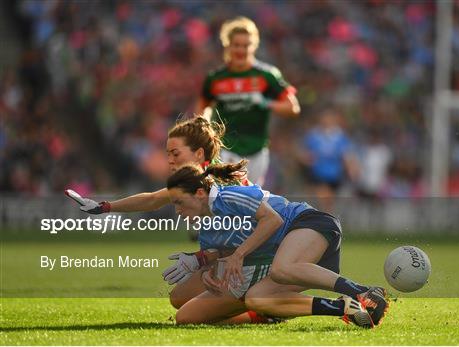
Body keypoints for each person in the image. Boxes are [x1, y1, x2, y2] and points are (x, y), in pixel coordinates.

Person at [66, 116, 271, 325]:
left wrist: (203, 259)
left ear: (198, 154)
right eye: (168, 154)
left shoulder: (216, 184)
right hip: (239, 258)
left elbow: (243, 237)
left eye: (175, 153)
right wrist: (105, 207)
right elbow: (153, 199)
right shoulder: (202, 178)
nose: (170, 160)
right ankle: (255, 311)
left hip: (255, 260)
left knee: (189, 316)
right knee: (179, 298)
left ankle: (263, 307)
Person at [165, 160, 389, 327]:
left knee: (281, 269)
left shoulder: (228, 196)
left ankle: (364, 292)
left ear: (200, 193)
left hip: (309, 225)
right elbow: (223, 254)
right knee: (187, 317)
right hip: (284, 257)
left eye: (180, 202)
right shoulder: (205, 231)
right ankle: (344, 308)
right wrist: (208, 272)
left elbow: (273, 220)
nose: (177, 210)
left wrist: (238, 255)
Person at [195, 16, 300, 186]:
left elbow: (293, 108)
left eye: (246, 45)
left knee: (250, 201)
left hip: (256, 149)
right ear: (227, 45)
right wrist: (204, 137)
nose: (241, 50)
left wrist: (266, 103)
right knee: (227, 193)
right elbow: (201, 109)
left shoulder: (267, 75)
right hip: (224, 147)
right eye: (237, 45)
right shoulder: (215, 78)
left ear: (254, 46)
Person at [299, 110, 360, 213]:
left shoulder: (340, 136)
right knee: (324, 197)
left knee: (329, 201)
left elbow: (346, 154)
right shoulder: (314, 135)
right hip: (319, 172)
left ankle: (327, 217)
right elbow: (305, 152)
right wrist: (307, 159)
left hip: (335, 174)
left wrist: (352, 168)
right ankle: (325, 217)